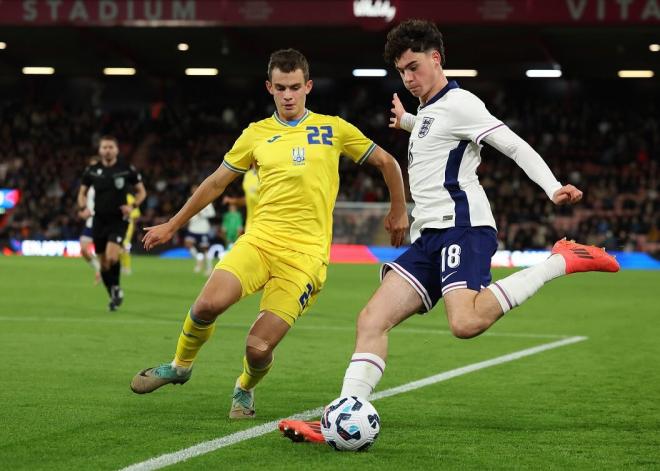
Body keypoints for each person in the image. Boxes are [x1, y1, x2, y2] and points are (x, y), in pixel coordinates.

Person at [279, 19, 619, 442]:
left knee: (466, 323)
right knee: (371, 319)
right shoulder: (426, 111)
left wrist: (552, 187)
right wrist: (406, 122)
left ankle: (559, 261)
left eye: (414, 67)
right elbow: (435, 136)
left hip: (463, 227)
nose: (408, 77)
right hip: (429, 238)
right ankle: (343, 414)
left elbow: (512, 144)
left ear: (436, 58)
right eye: (402, 71)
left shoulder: (462, 104)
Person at [129, 48, 409, 420]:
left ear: (308, 86)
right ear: (269, 88)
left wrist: (399, 209)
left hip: (305, 259)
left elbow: (387, 162)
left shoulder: (334, 129)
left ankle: (244, 387)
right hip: (259, 242)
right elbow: (215, 183)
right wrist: (171, 224)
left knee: (258, 349)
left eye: (295, 87)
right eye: (281, 87)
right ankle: (180, 366)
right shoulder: (256, 135)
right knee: (206, 305)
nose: (288, 95)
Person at [77, 135, 147, 311]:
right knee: (103, 263)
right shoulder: (92, 170)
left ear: (116, 149)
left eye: (111, 147)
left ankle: (115, 288)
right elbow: (81, 193)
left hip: (118, 220)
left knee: (112, 256)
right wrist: (83, 208)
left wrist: (132, 206)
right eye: (104, 147)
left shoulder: (126, 169)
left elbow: (141, 192)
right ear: (100, 150)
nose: (107, 150)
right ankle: (114, 291)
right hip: (98, 221)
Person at [184, 184, 217, 275]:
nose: (194, 191)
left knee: (205, 249)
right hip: (193, 227)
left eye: (195, 189)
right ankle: (199, 260)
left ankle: (209, 267)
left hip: (203, 228)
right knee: (188, 244)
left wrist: (201, 214)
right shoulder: (189, 199)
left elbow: (212, 213)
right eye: (192, 189)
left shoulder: (206, 198)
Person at [78, 158, 101, 284]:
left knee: (106, 254)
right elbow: (85, 203)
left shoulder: (107, 182)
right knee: (83, 250)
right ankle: (98, 269)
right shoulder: (89, 186)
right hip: (91, 222)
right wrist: (82, 212)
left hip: (104, 221)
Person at [120, 193, 141, 275]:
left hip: (127, 225)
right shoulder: (114, 194)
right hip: (116, 225)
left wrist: (133, 227)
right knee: (118, 246)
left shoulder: (129, 198)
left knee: (125, 245)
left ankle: (127, 268)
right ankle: (121, 265)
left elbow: (136, 215)